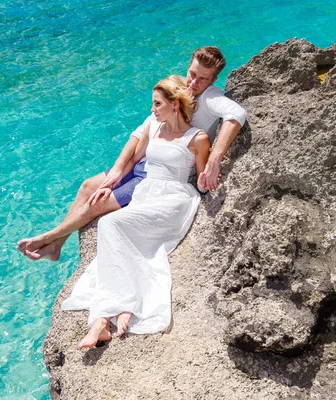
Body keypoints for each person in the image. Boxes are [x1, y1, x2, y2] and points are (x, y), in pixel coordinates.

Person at [16, 46, 246, 261]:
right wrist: (117, 170)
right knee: (88, 186)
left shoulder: (210, 97)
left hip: (157, 173)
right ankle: (57, 245)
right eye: (192, 73)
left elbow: (236, 114)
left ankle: (48, 237)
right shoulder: (177, 88)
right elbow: (140, 133)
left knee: (98, 204)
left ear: (214, 80)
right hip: (145, 159)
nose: (194, 82)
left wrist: (214, 160)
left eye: (203, 78)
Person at [62, 75, 210, 349]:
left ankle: (106, 315)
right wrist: (111, 183)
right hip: (145, 194)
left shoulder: (197, 138)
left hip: (173, 199)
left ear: (175, 105)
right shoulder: (153, 127)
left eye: (157, 104)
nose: (152, 110)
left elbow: (201, 177)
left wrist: (207, 180)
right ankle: (104, 319)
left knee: (111, 225)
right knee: (121, 238)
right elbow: (132, 159)